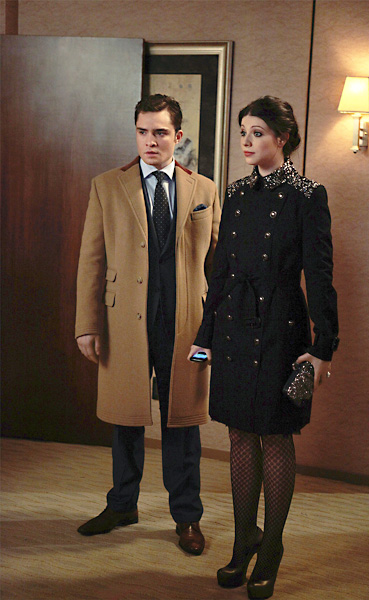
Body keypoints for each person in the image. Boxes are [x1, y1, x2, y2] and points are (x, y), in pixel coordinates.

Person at [189, 95, 339, 597]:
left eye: (257, 132)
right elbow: (220, 270)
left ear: (282, 137)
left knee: (274, 437)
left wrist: (324, 347)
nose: (247, 141)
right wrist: (205, 337)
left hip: (281, 331)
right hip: (234, 326)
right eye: (243, 133)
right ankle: (243, 540)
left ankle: (271, 546)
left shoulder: (308, 195)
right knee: (238, 435)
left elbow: (319, 276)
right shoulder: (235, 192)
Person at [75, 94, 221, 555]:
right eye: (142, 131)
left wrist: (217, 331)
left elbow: (218, 267)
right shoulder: (106, 186)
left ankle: (187, 518)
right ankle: (121, 505)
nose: (150, 140)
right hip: (123, 323)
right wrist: (87, 325)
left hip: (189, 325)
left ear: (178, 136)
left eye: (160, 132)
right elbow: (91, 261)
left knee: (184, 423)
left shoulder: (204, 190)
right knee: (125, 420)